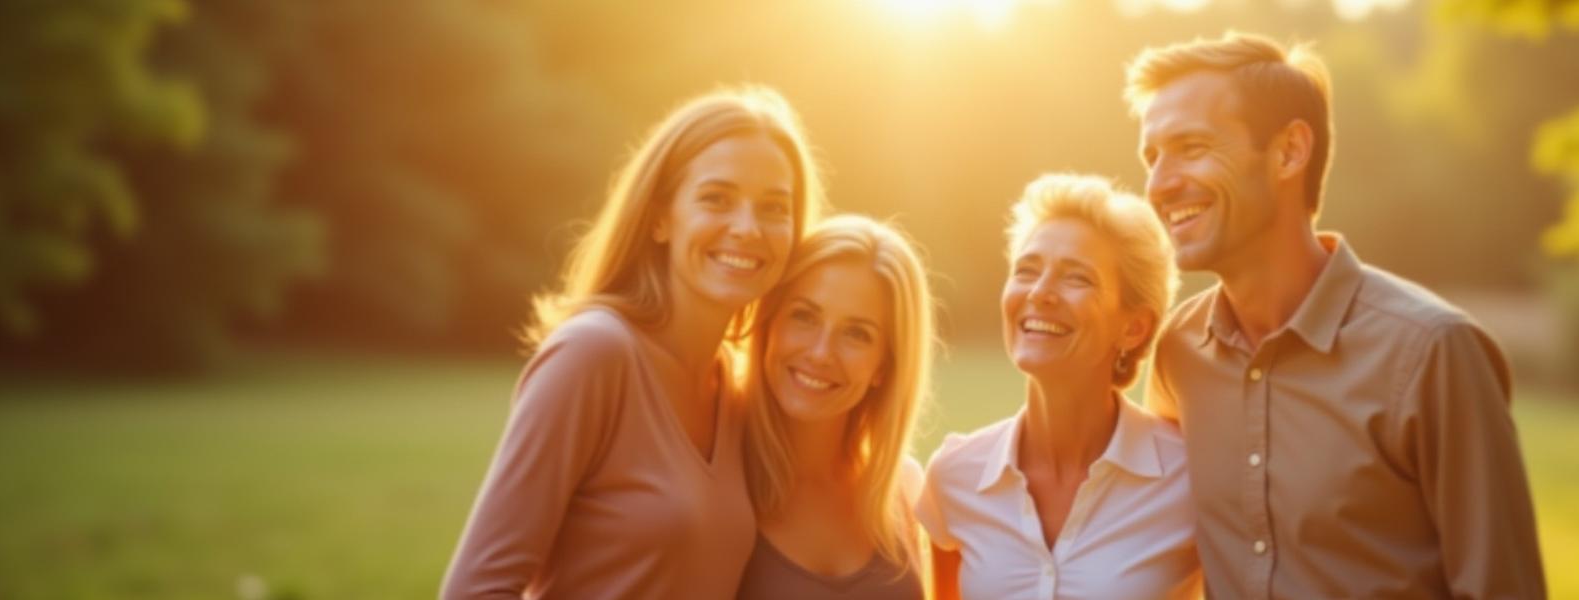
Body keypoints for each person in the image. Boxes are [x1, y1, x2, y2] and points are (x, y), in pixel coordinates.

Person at [1127, 31, 1547, 598]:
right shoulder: (1180, 352)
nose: (1159, 185)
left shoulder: (1432, 352)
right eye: (1152, 158)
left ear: (1289, 152)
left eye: (1192, 148)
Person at [441, 87, 826, 599]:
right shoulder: (594, 355)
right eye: (717, 199)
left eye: (774, 208)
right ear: (660, 217)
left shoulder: (738, 392)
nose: (747, 228)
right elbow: (476, 589)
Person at [918, 174, 1199, 600]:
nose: (1040, 292)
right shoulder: (955, 475)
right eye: (1026, 270)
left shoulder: (1190, 479)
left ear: (1134, 328)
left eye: (1077, 278)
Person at [735, 214, 935, 600]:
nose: (821, 353)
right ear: (769, 322)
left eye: (857, 334)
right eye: (804, 316)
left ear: (884, 365)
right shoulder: (710, 474)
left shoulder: (901, 488)